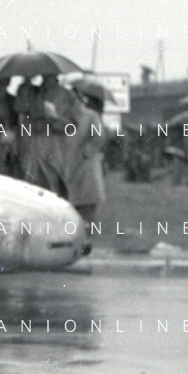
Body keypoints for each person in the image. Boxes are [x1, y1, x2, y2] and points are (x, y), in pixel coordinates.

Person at [65, 83, 107, 250]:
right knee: (71, 204)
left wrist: (85, 151)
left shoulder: (90, 116)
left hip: (86, 166)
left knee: (88, 204)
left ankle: (86, 239)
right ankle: (73, 239)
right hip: (69, 165)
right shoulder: (65, 117)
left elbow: (98, 137)